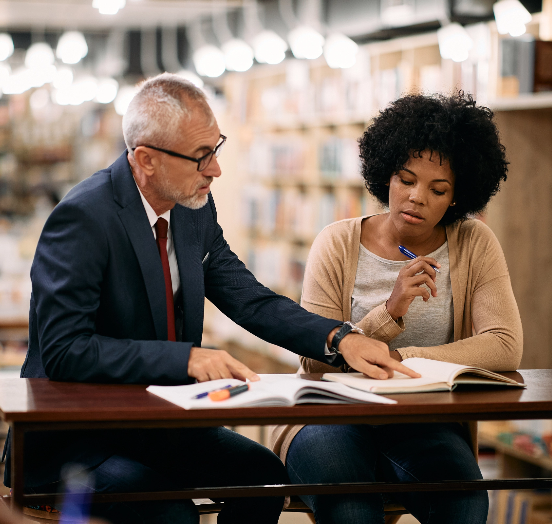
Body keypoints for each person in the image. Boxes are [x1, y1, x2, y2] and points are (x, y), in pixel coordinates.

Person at [2, 73, 418, 524]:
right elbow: (66, 351)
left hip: (161, 427)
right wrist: (186, 360)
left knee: (262, 478)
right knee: (170, 511)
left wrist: (339, 338)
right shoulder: (84, 218)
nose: (215, 170)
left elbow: (248, 298)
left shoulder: (193, 208)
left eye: (215, 149)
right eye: (201, 157)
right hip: (81, 440)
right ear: (146, 160)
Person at [271, 92, 523, 524]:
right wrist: (388, 314)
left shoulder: (474, 243)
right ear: (384, 173)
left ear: (458, 196)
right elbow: (314, 361)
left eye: (438, 189)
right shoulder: (337, 242)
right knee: (352, 510)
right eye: (406, 180)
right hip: (329, 414)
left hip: (423, 419)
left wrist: (401, 360)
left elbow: (504, 346)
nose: (416, 197)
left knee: (465, 503)